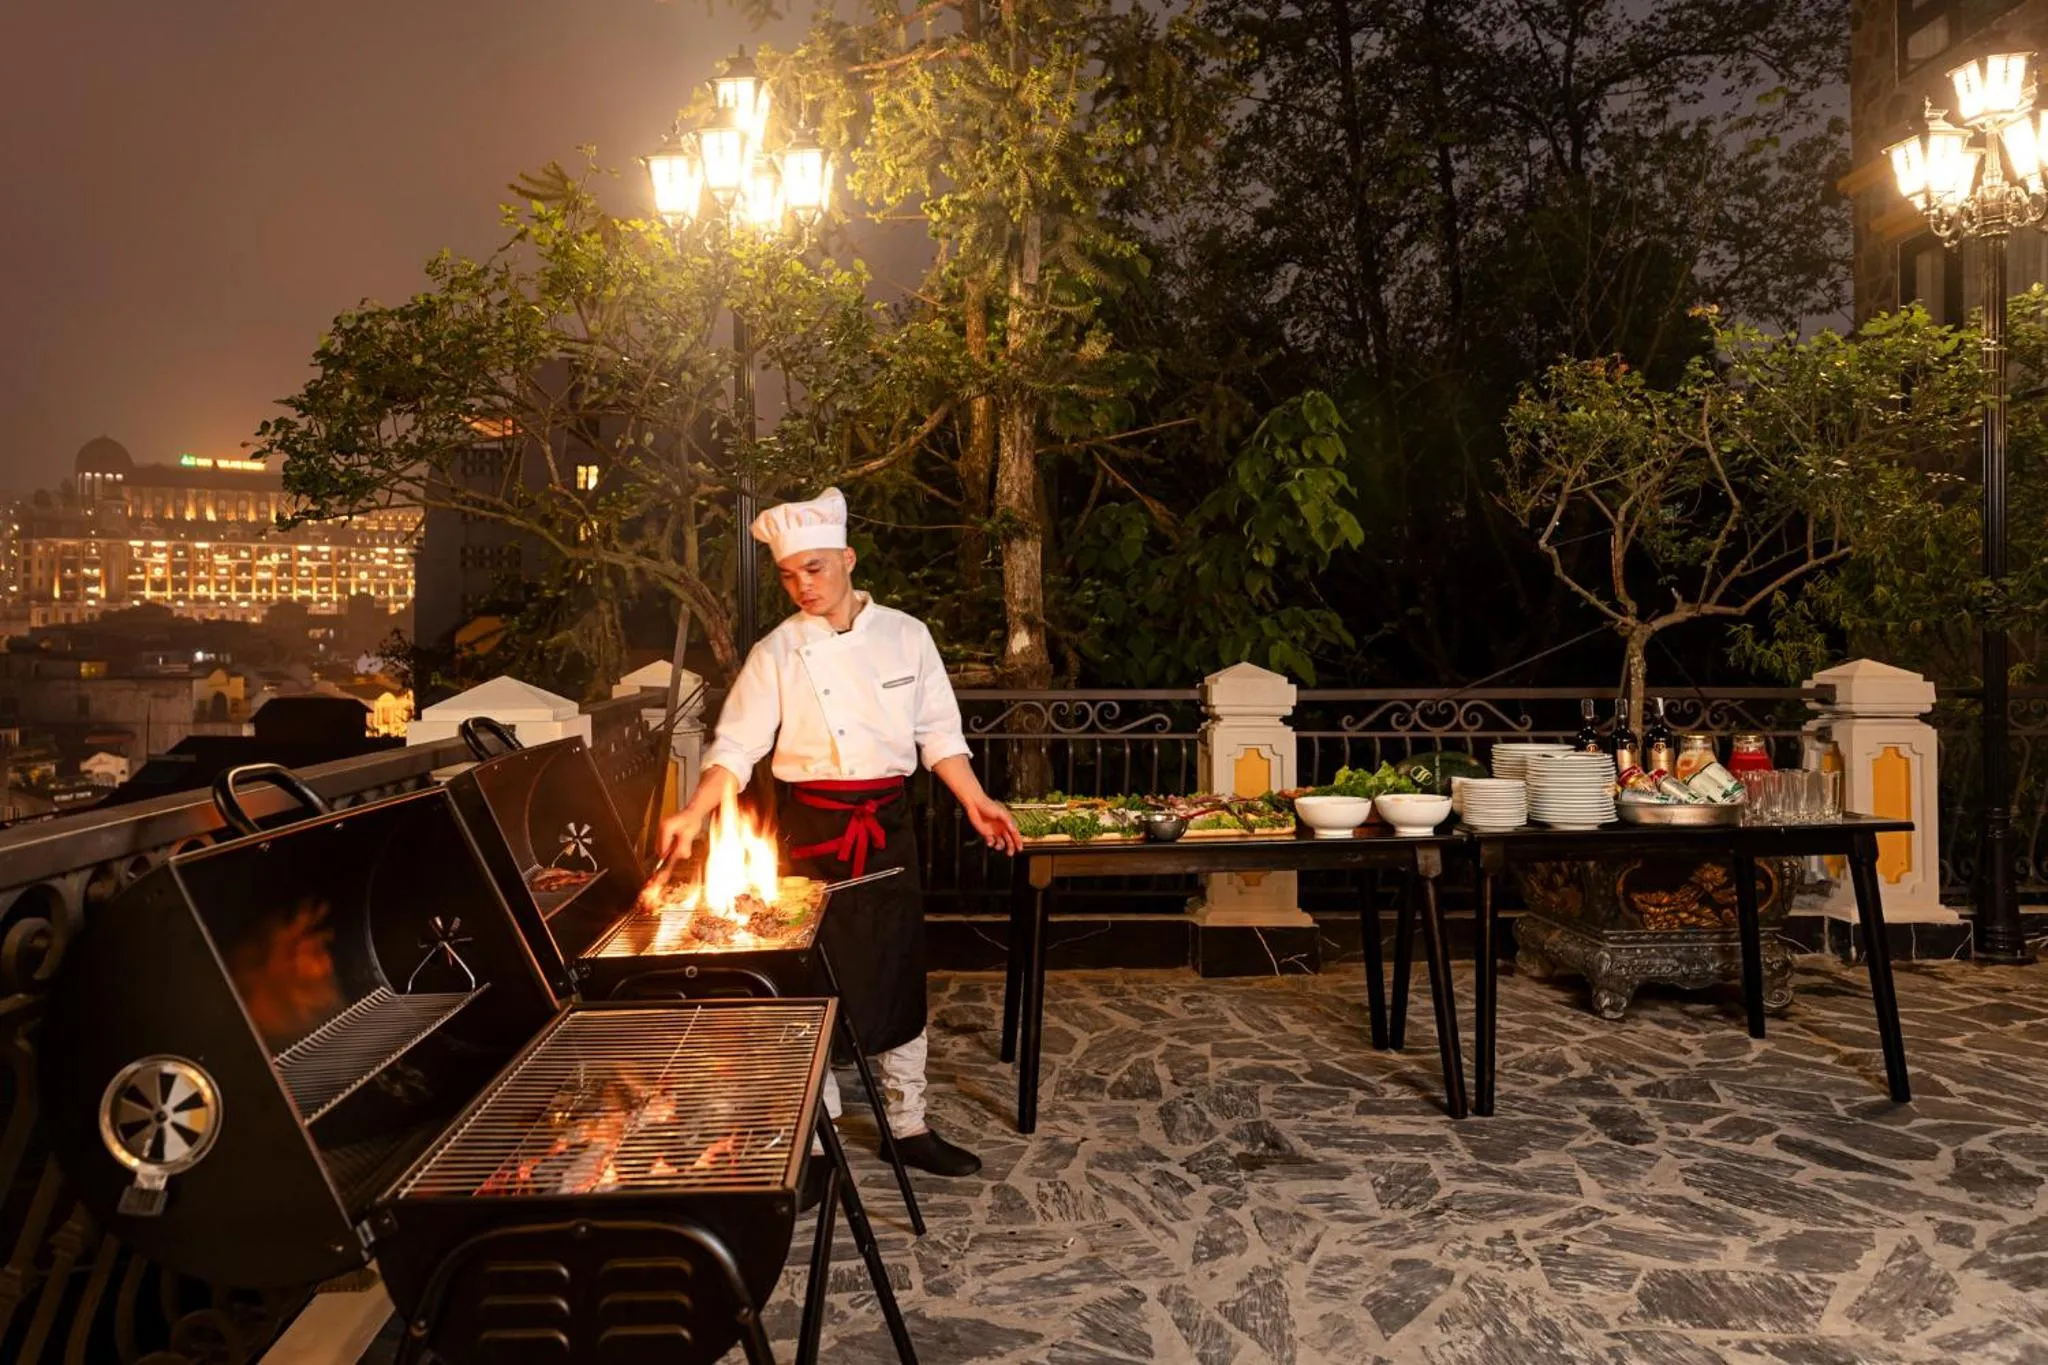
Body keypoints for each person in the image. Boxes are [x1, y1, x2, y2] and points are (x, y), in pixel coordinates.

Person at [660, 487, 1021, 1183]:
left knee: (896, 967)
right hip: (811, 827)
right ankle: (818, 1140)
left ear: (849, 558)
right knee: (814, 983)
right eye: (791, 575)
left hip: (885, 824)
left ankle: (907, 1122)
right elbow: (735, 747)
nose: (803, 586)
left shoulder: (908, 635)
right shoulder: (777, 652)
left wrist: (976, 800)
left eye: (816, 569)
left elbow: (939, 735)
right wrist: (694, 812)